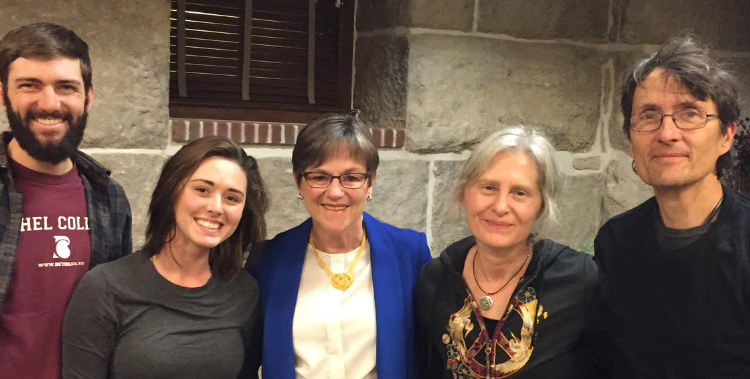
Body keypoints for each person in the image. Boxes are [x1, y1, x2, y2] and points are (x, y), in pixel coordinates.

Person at [588, 35, 750, 377]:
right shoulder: (614, 244)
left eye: (689, 114)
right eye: (648, 116)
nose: (667, 133)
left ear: (726, 135)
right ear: (631, 142)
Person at [62, 136, 267, 379]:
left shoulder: (243, 291)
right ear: (172, 192)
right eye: (202, 190)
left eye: (232, 198)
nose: (216, 207)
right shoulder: (104, 287)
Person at [251, 113, 431, 378]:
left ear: (371, 181)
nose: (335, 192)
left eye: (351, 177)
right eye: (320, 177)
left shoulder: (409, 253)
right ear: (298, 181)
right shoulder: (268, 260)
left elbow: (430, 356)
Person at [0, 23, 131, 378]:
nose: (49, 103)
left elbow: (119, 316)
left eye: (65, 87)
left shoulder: (110, 199)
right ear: (3, 95)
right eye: (29, 85)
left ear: (87, 97)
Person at [415, 126, 598, 378]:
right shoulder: (435, 280)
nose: (500, 207)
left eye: (519, 193)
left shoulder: (581, 281)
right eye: (488, 187)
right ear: (464, 194)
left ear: (541, 206)